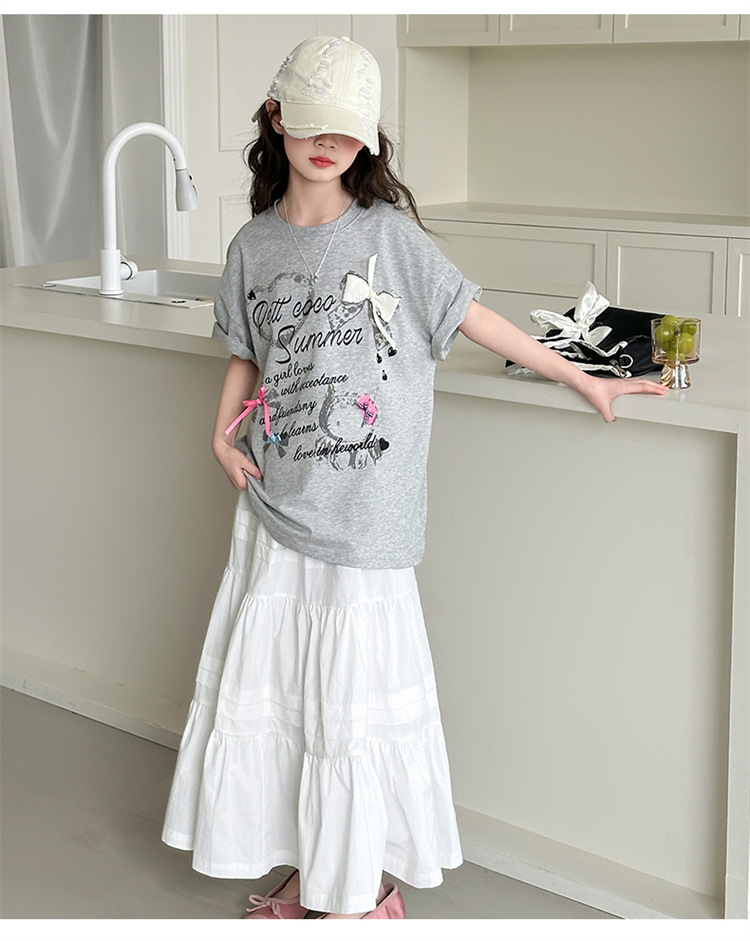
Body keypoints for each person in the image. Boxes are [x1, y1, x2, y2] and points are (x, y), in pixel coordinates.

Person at [161, 35, 667, 921]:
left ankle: (359, 891)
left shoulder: (388, 237)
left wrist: (582, 375)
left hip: (365, 519)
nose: (329, 145)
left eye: (347, 131)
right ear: (275, 118)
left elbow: (475, 318)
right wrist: (218, 431)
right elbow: (246, 352)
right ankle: (313, 871)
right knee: (296, 705)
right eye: (312, 124)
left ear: (367, 138)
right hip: (279, 507)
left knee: (350, 711)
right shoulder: (252, 246)